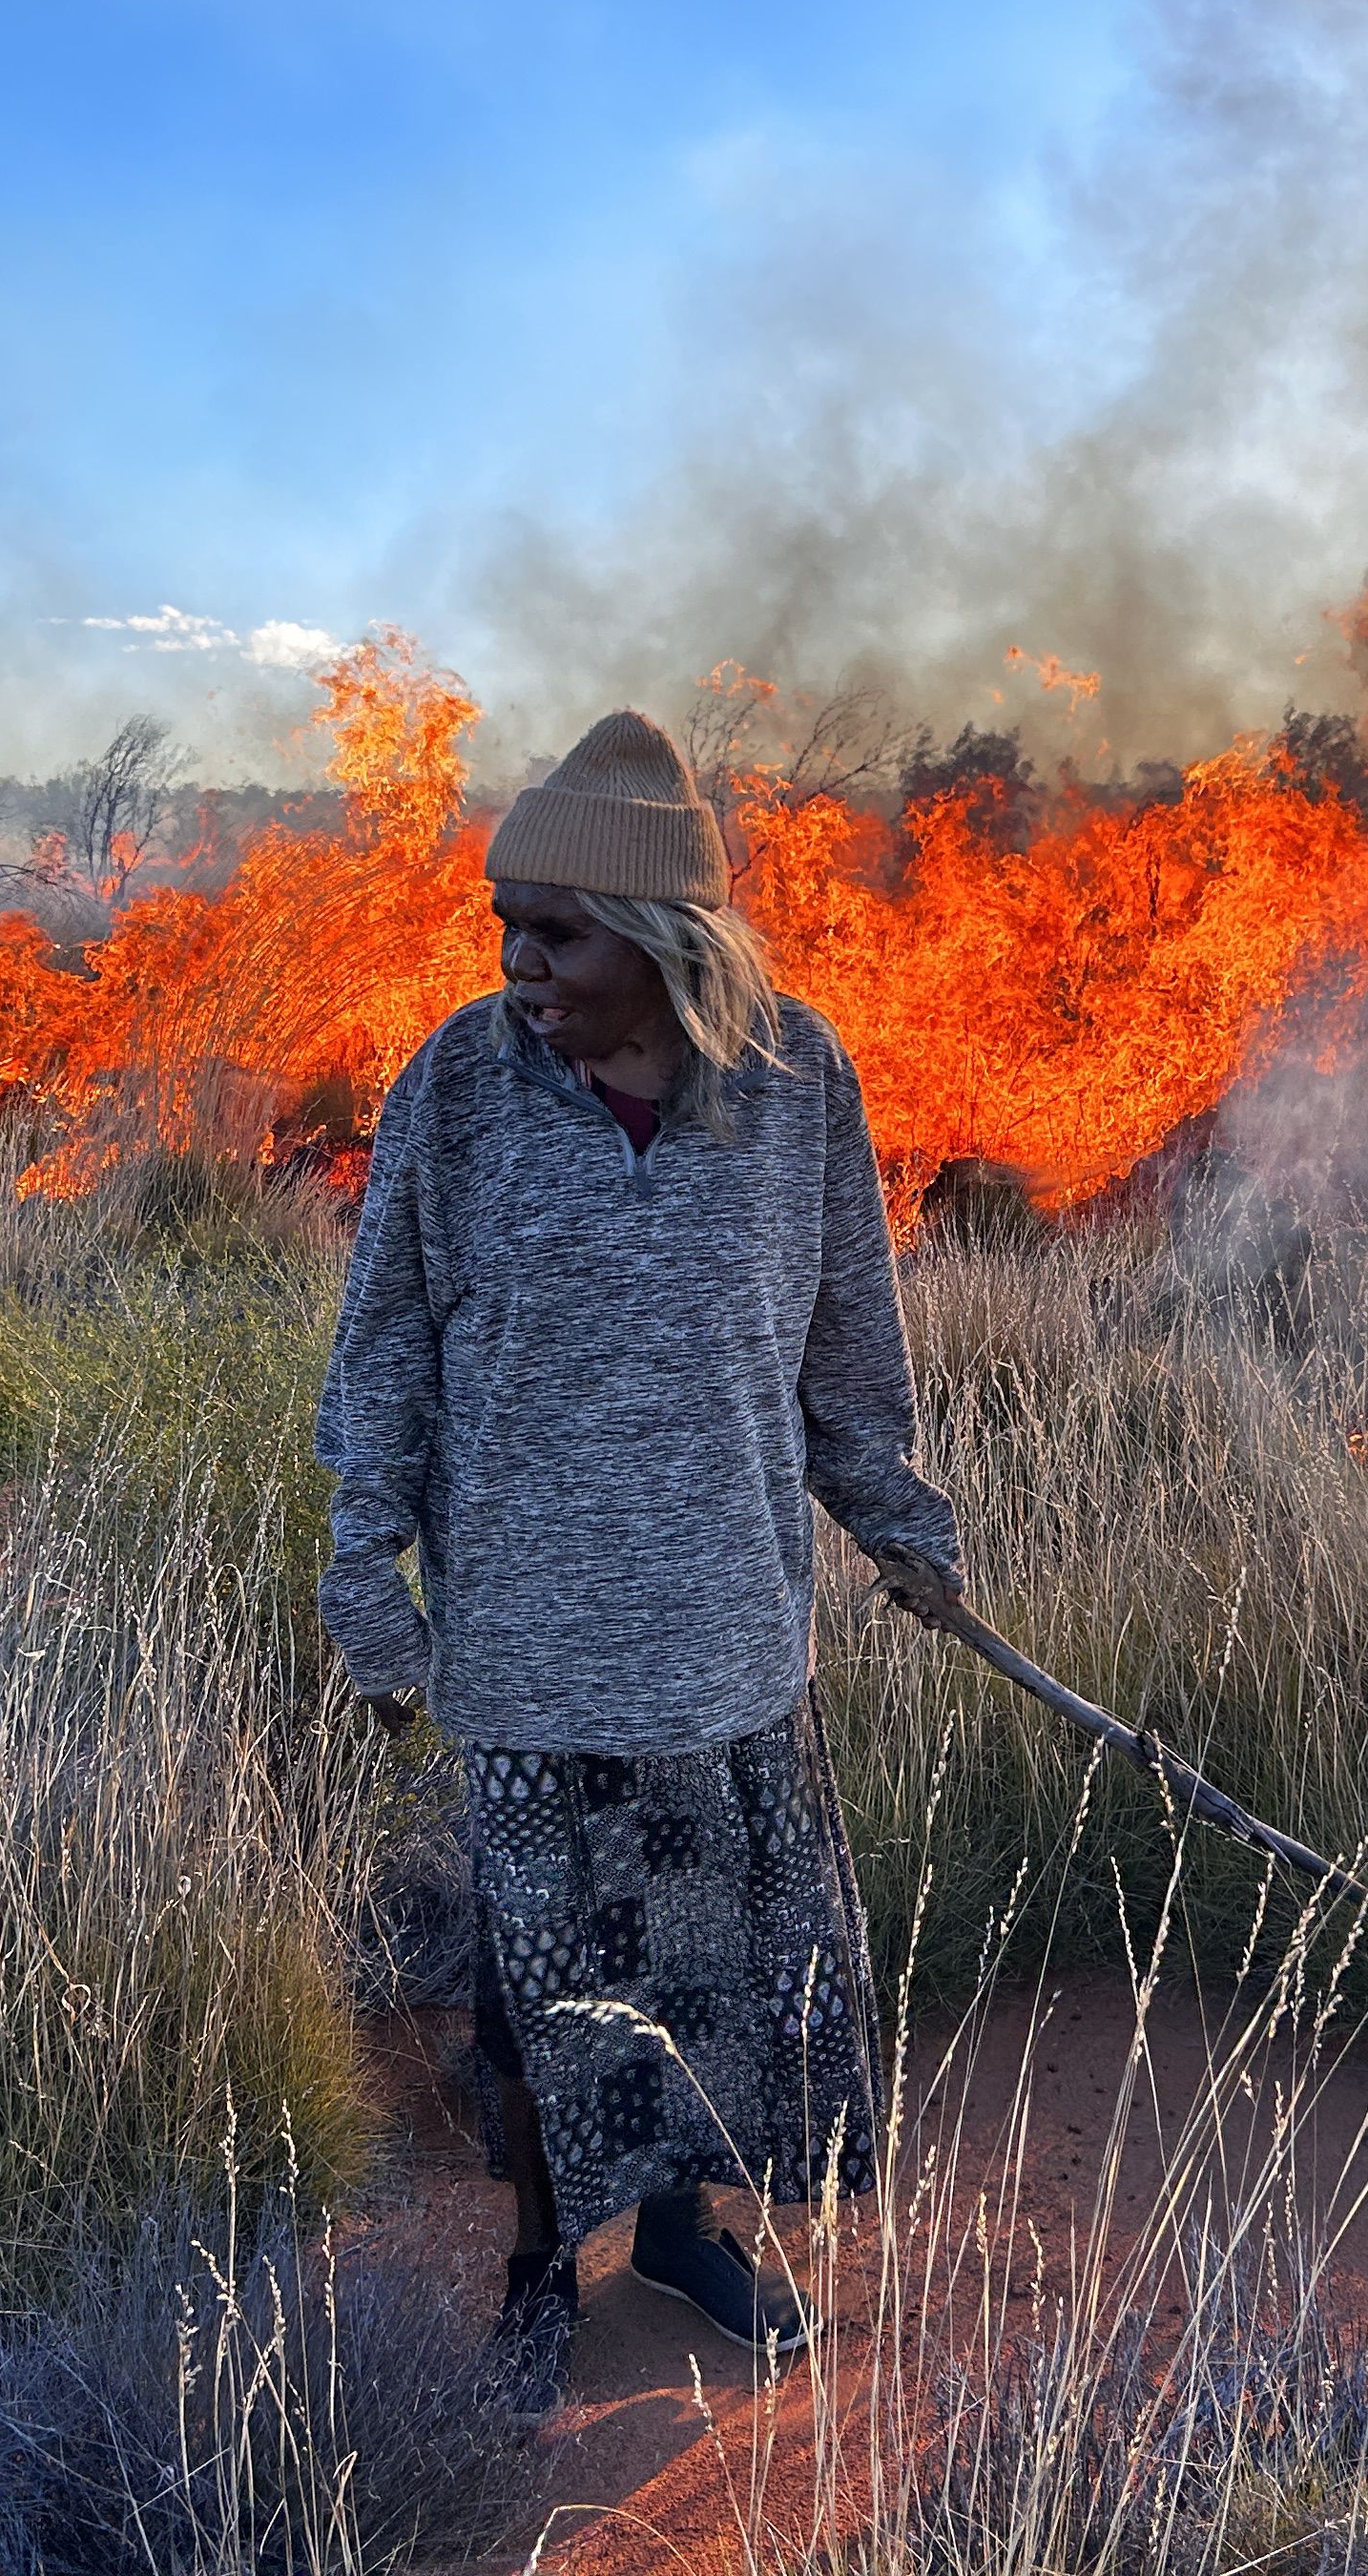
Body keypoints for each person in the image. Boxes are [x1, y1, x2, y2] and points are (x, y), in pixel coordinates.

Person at [314, 706, 969, 2422]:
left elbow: (848, 1344)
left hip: (728, 1632)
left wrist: (898, 1523)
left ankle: (683, 2230)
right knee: (543, 1995)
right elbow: (382, 1340)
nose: (523, 966)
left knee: (713, 1977)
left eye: (561, 934)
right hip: (529, 1644)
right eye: (505, 930)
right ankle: (543, 2264)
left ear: (672, 943)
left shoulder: (799, 1082)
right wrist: (360, 1562)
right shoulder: (460, 1086)